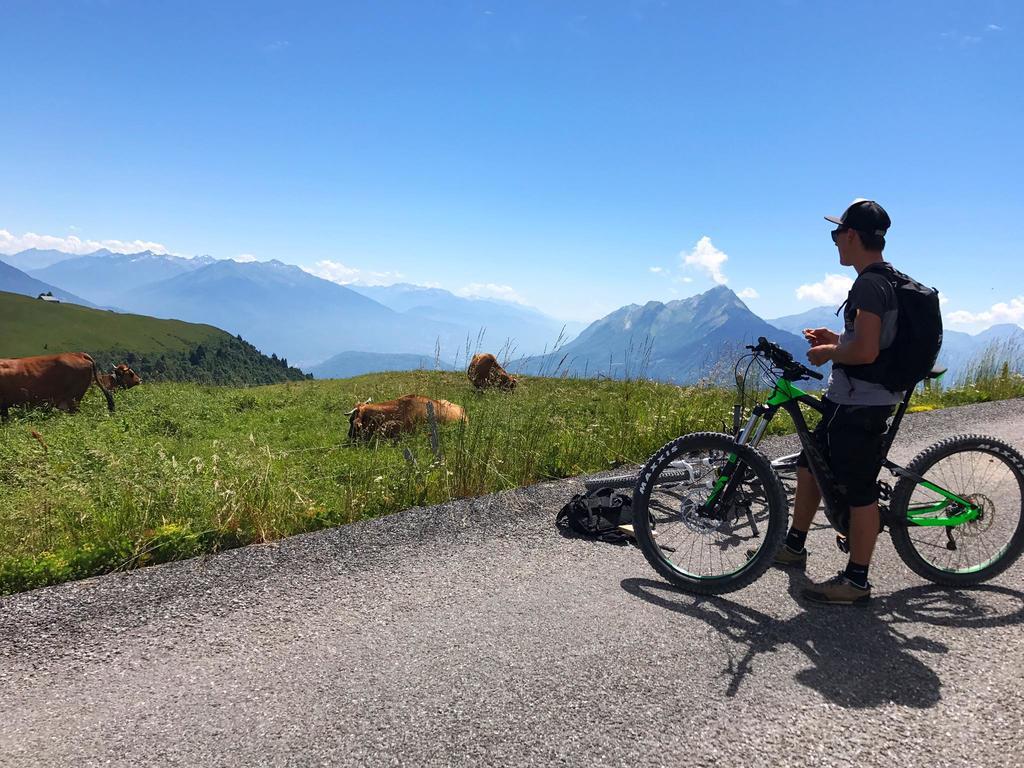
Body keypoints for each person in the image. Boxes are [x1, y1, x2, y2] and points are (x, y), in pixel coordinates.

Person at [776, 199, 902, 605]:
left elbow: (865, 352)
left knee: (859, 489)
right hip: (849, 398)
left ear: (851, 235)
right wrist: (835, 339)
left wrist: (830, 353)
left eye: (836, 235)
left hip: (861, 403)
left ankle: (856, 581)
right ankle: (795, 545)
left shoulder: (869, 283)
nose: (834, 243)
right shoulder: (882, 280)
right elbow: (871, 342)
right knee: (808, 463)